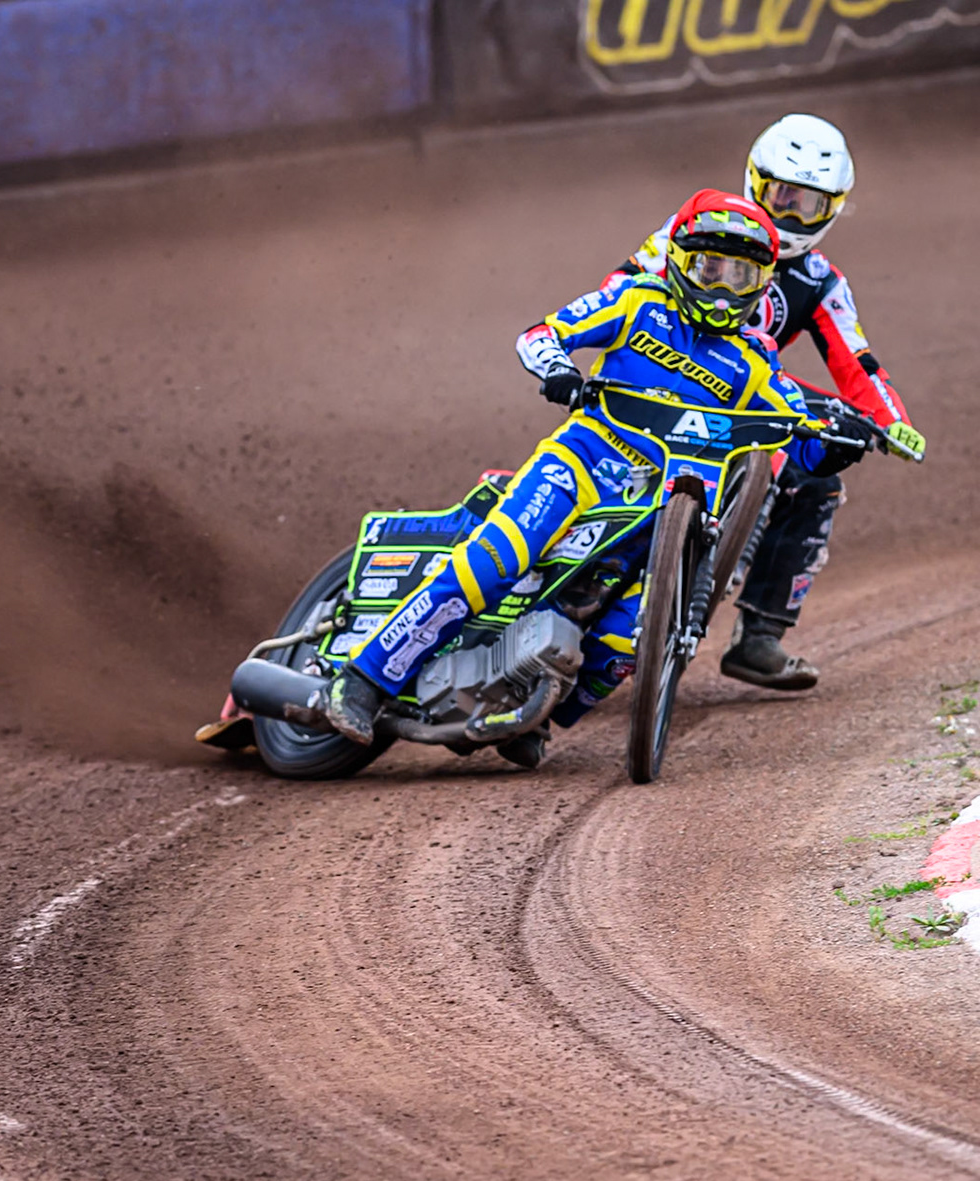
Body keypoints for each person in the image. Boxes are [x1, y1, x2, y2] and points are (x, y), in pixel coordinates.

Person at [327, 190, 876, 760]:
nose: (719, 287)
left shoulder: (754, 360)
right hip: (583, 466)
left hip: (665, 512)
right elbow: (540, 335)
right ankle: (363, 680)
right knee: (496, 559)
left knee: (628, 637)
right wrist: (559, 370)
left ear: (760, 284)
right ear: (679, 262)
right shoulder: (637, 303)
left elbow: (797, 436)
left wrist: (838, 445)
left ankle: (532, 718)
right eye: (708, 267)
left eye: (738, 274)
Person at [604, 115, 925, 689]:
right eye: (783, 195)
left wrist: (889, 420)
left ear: (833, 208)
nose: (792, 216)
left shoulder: (822, 282)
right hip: (664, 370)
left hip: (752, 389)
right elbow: (620, 287)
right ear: (756, 180)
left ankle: (759, 637)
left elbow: (857, 362)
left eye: (810, 205)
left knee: (821, 471)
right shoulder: (699, 227)